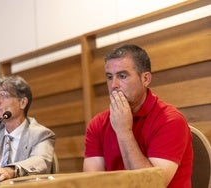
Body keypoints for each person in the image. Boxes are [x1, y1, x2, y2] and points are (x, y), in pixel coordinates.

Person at [83, 44, 193, 187]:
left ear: (145, 79)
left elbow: (151, 185)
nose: (113, 85)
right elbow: (92, 184)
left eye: (122, 76)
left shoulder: (171, 120)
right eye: (110, 77)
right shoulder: (97, 124)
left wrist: (123, 131)